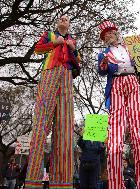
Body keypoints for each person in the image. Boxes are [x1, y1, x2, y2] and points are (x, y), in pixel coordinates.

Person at [97, 20, 140, 189]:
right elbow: (101, 71)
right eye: (105, 35)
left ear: (117, 32)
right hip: (116, 83)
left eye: (110, 32)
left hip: (133, 82)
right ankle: (116, 184)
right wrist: (103, 66)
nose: (108, 35)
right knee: (115, 134)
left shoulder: (131, 46)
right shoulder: (103, 54)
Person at [24, 15, 81, 189]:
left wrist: (73, 49)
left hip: (66, 76)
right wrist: (55, 43)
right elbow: (38, 49)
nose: (64, 21)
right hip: (49, 72)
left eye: (66, 19)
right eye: (61, 19)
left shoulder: (73, 39)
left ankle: (62, 183)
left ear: (69, 24)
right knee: (41, 123)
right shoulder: (49, 34)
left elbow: (78, 60)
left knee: (64, 128)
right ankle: (32, 181)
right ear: (58, 23)